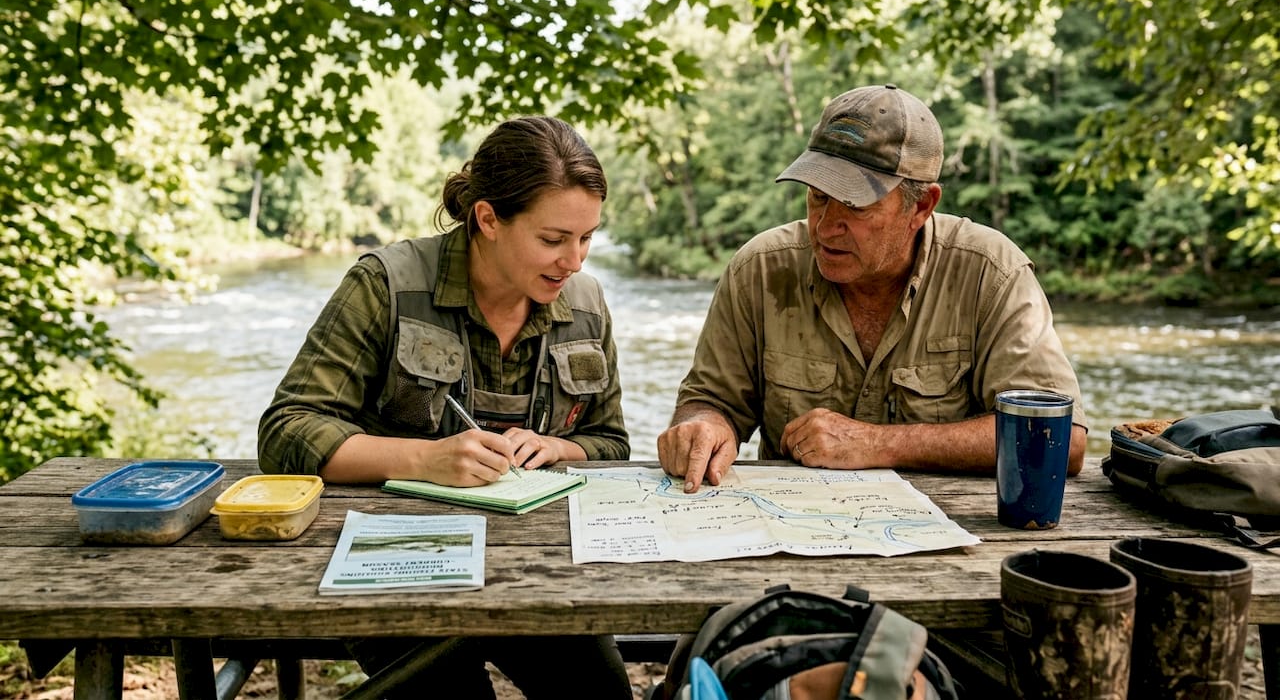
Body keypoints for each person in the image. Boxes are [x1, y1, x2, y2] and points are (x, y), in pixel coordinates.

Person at [258, 115, 632, 699]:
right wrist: (423, 460)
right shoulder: (384, 284)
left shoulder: (586, 304)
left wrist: (560, 447)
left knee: (601, 696)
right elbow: (287, 432)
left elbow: (611, 443)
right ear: (487, 218)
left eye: (587, 238)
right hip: (395, 559)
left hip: (536, 567)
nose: (575, 261)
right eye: (554, 240)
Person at [657, 84, 1088, 493]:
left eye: (855, 205)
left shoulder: (990, 272)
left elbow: (1058, 441)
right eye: (818, 196)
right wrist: (704, 427)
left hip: (956, 534)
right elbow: (709, 400)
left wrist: (877, 443)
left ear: (921, 206)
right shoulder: (760, 270)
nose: (825, 227)